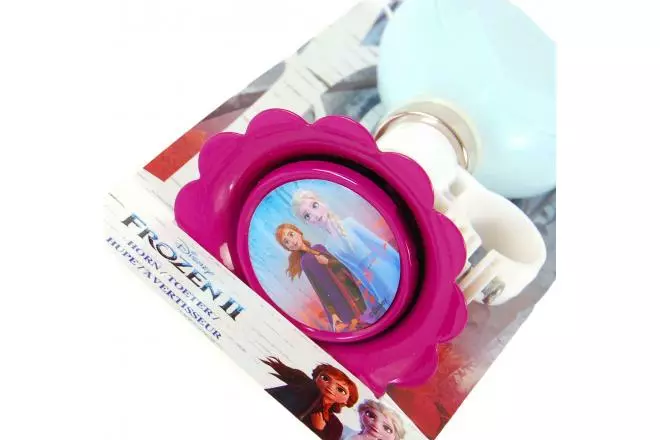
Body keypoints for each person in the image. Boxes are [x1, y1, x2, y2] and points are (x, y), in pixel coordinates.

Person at [291, 190, 400, 312]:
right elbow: (355, 271)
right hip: (373, 281)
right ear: (307, 222)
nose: (315, 215)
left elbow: (379, 244)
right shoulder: (329, 245)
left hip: (385, 268)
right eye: (307, 216)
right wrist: (373, 291)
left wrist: (399, 263)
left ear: (322, 202)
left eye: (314, 205)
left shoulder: (349, 223)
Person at [276, 223, 368, 332]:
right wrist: (333, 313)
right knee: (356, 327)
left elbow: (342, 265)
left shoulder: (319, 247)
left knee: (366, 319)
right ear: (287, 248)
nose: (292, 241)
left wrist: (328, 262)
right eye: (286, 242)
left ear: (299, 232)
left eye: (291, 234)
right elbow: (319, 289)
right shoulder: (304, 262)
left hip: (351, 289)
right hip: (339, 301)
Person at [262, 357, 358, 440]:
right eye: (325, 378)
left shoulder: (336, 426)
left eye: (340, 390)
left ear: (347, 400)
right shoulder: (297, 391)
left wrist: (319, 430)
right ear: (316, 377)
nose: (330, 387)